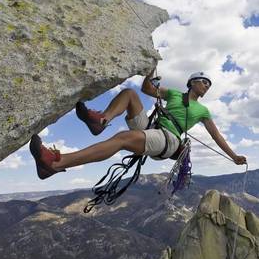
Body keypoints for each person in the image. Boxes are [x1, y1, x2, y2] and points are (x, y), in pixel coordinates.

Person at [29, 70, 247, 179]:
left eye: (209, 84)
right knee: (130, 94)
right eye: (203, 81)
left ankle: (56, 164)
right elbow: (146, 90)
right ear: (192, 83)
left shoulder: (203, 111)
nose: (206, 86)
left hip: (169, 140)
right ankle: (101, 121)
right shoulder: (172, 94)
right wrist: (150, 72)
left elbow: (217, 136)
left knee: (123, 138)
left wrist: (233, 156)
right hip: (152, 129)